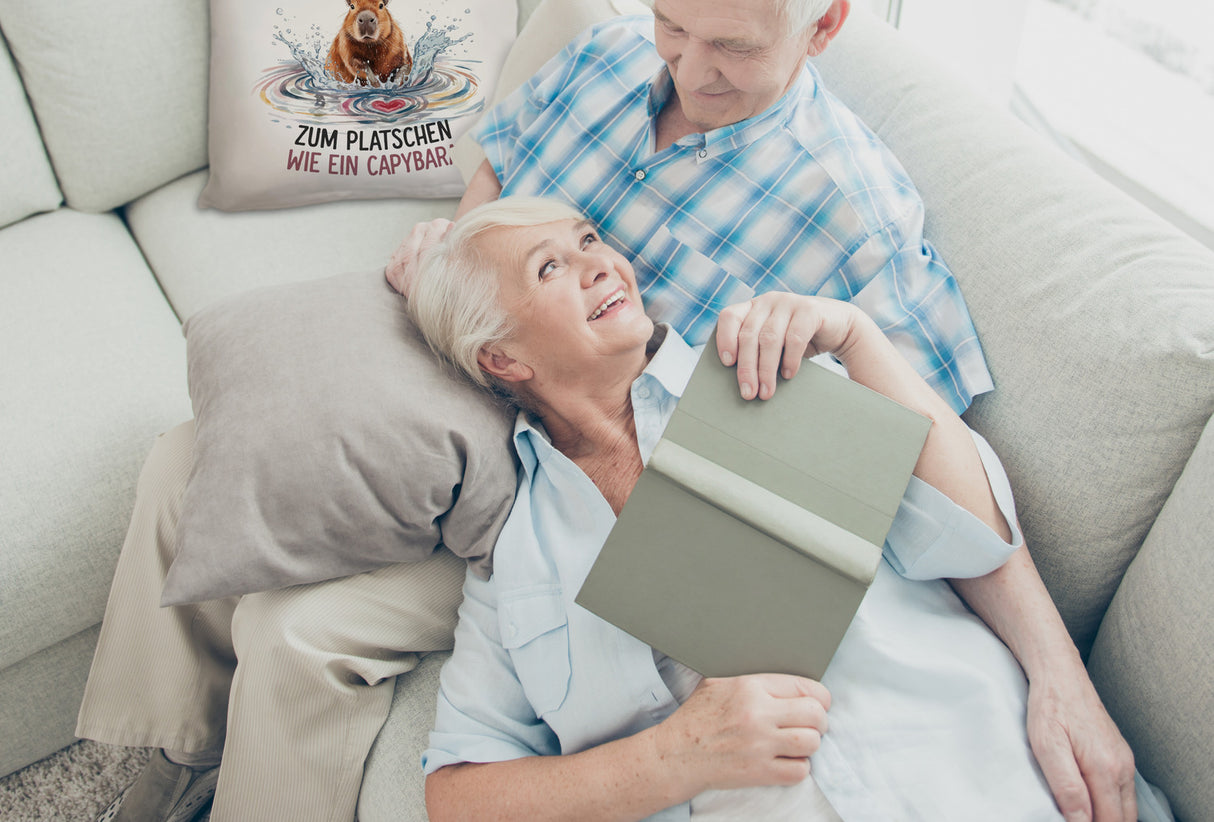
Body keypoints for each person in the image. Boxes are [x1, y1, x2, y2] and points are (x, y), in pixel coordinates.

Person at [79, 0, 1131, 822]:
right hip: (488, 355)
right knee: (192, 454)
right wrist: (458, 250)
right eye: (674, 23)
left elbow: (927, 463)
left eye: (732, 46)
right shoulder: (609, 55)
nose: (687, 65)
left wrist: (1057, 671)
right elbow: (500, 165)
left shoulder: (853, 215)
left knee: (300, 632)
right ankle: (159, 758)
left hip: (578, 460)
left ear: (820, 28)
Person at [408, 197, 1160, 822]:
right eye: (550, 267)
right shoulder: (517, 559)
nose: (601, 263)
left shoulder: (763, 370)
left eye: (589, 240)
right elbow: (458, 796)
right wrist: (673, 757)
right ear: (502, 359)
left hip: (985, 775)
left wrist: (858, 338)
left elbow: (973, 537)